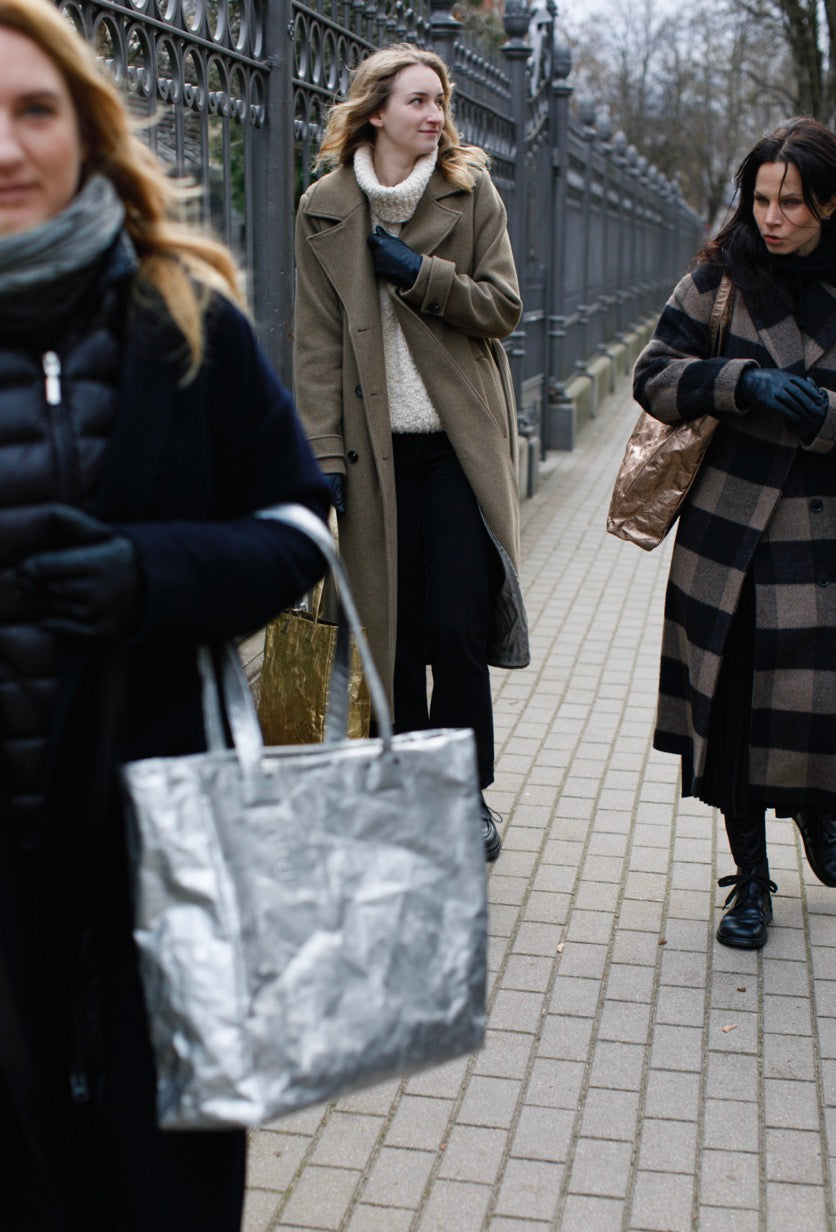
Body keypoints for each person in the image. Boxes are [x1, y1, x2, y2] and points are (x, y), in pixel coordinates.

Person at [0, 1, 330, 1232]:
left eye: (36, 108)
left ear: (88, 128)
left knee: (158, 1217)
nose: (10, 144)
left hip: (164, 862)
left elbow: (303, 529)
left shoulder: (185, 322)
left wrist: (155, 573)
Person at [293, 43, 530, 863]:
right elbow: (316, 344)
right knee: (386, 637)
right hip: (371, 456)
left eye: (441, 100)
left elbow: (502, 307)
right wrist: (320, 452)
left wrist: (417, 274)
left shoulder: (468, 191)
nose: (435, 116)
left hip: (456, 451)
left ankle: (463, 795)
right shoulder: (324, 205)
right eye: (418, 101)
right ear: (375, 112)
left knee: (455, 631)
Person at [634, 117, 836, 950]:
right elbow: (651, 375)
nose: (771, 217)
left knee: (813, 704)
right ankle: (751, 883)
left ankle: (813, 805)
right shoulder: (719, 280)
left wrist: (825, 414)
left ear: (828, 204)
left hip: (827, 541)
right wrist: (739, 383)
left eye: (791, 202)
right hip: (727, 536)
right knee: (729, 711)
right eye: (760, 198)